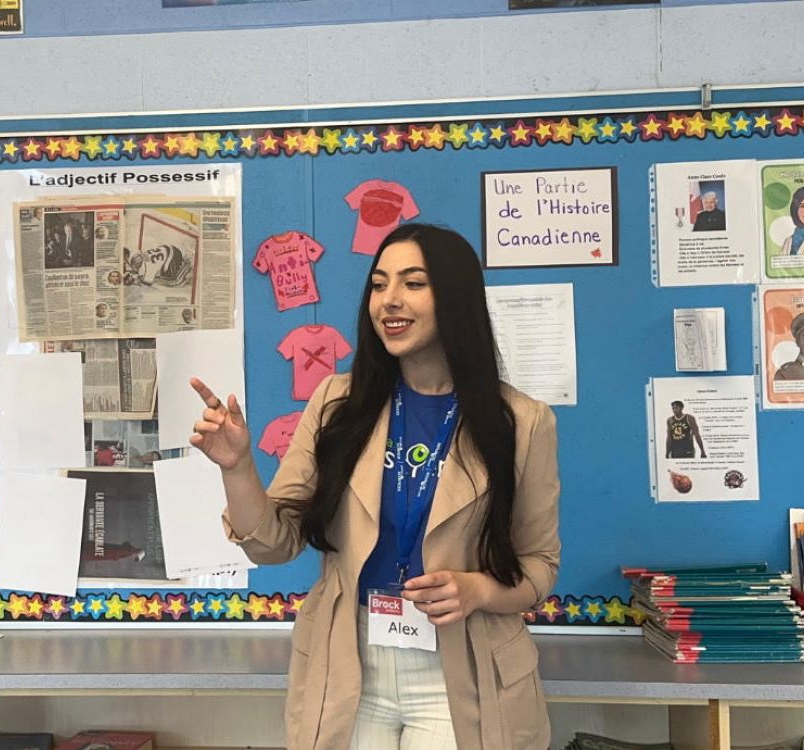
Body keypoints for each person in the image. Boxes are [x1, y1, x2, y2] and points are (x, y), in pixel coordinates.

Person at [189, 224, 560, 749]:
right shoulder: (337, 402)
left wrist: (480, 589)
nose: (389, 300)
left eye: (413, 283)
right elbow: (276, 543)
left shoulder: (522, 421)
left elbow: (539, 564)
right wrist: (236, 467)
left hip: (462, 668)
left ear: (454, 298)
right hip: (348, 664)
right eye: (379, 284)